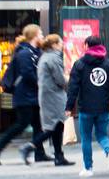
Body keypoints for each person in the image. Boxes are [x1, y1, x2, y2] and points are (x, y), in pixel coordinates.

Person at [0, 25, 48, 165]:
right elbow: (28, 74)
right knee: (22, 124)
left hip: (32, 96)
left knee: (38, 125)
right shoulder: (24, 53)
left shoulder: (35, 51)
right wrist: (42, 84)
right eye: (40, 34)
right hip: (24, 96)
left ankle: (39, 154)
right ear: (34, 36)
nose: (42, 37)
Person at [66, 35, 109, 177]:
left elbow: (73, 87)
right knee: (102, 134)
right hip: (103, 107)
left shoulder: (80, 64)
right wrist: (106, 96)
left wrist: (69, 106)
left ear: (86, 46)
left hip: (86, 108)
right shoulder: (108, 64)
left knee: (86, 138)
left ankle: (88, 168)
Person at [24, 34, 73, 166]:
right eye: (60, 42)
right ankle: (30, 146)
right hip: (54, 96)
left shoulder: (45, 57)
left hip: (47, 96)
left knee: (56, 126)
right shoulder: (53, 58)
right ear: (54, 45)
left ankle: (59, 156)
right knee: (54, 127)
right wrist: (68, 79)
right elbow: (60, 80)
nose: (62, 45)